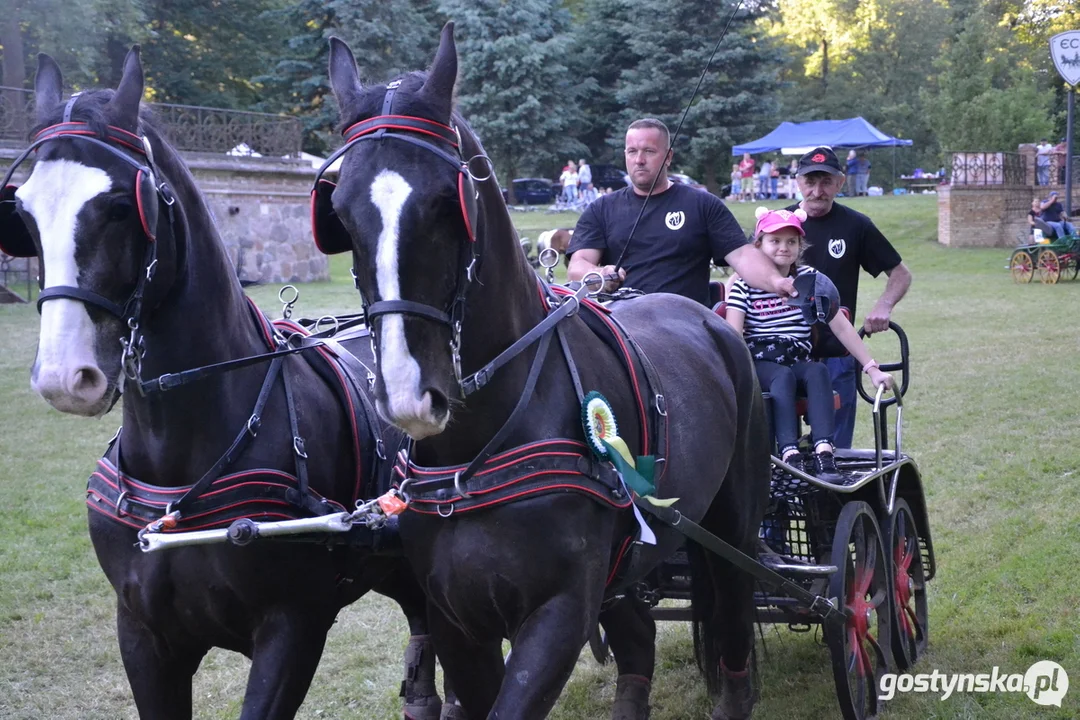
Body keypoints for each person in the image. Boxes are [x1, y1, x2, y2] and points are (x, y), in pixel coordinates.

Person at [725, 207, 894, 479]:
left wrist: (872, 368)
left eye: (791, 241)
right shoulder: (744, 285)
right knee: (781, 377)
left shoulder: (809, 280)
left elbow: (840, 325)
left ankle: (825, 451)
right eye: (775, 241)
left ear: (800, 246)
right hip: (761, 362)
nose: (784, 247)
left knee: (817, 371)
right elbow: (732, 334)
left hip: (796, 359)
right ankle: (789, 453)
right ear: (758, 245)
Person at [566, 118, 797, 305]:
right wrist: (599, 275)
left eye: (649, 151)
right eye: (632, 151)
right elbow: (578, 265)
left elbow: (742, 256)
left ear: (668, 157)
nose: (639, 160)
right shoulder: (601, 208)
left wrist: (777, 282)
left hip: (686, 328)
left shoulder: (703, 204)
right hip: (621, 326)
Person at [787, 146, 911, 449]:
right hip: (785, 353)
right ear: (798, 181)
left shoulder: (855, 225)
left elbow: (901, 273)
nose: (817, 191)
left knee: (835, 445)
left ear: (841, 183)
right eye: (810, 182)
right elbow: (748, 271)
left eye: (826, 182)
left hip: (838, 351)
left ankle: (831, 494)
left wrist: (884, 305)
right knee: (783, 443)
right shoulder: (780, 223)